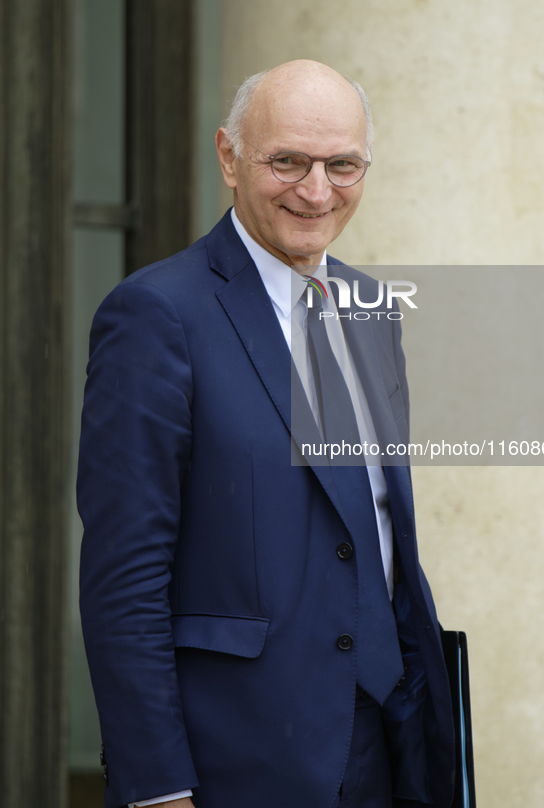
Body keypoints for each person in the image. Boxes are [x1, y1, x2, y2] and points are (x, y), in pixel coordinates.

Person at [77, 60, 455, 808]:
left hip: (394, 744)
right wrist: (156, 788)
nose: (315, 191)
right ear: (228, 157)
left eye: (341, 165)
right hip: (240, 760)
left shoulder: (372, 308)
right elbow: (125, 576)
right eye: (286, 161)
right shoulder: (155, 315)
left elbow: (373, 533)